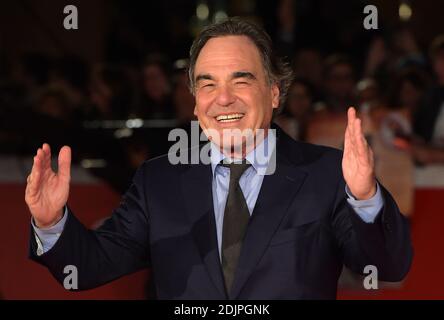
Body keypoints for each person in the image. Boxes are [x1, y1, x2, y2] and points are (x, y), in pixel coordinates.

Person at [25, 18, 412, 299]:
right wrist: (51, 222)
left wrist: (365, 198)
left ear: (275, 92)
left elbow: (386, 267)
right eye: (207, 83)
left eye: (240, 81)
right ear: (195, 101)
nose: (223, 98)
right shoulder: (158, 180)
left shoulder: (325, 173)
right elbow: (90, 266)